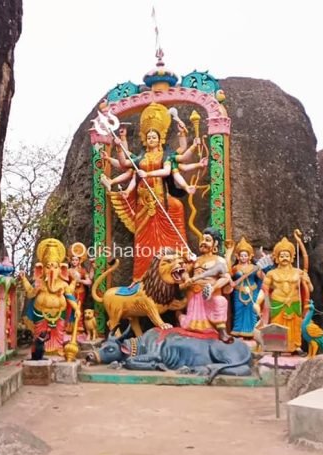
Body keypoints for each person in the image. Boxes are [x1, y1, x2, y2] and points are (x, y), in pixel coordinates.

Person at [100, 102, 202, 281]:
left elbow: (168, 171)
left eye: (154, 136)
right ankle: (141, 277)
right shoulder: (140, 157)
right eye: (148, 137)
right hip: (143, 201)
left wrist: (147, 173)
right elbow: (124, 162)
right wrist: (119, 144)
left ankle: (181, 263)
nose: (151, 139)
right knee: (143, 239)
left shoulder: (166, 156)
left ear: (160, 138)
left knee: (177, 208)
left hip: (161, 197)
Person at [255, 236, 313, 355]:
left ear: (291, 257)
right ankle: (278, 347)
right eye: (282, 256)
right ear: (276, 258)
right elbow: (264, 290)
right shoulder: (271, 273)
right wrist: (258, 303)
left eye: (287, 255)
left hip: (294, 302)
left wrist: (307, 281)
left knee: (296, 325)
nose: (284, 258)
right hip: (277, 303)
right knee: (277, 326)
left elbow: (310, 289)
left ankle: (296, 346)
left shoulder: (298, 272)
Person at [179, 227, 233, 343]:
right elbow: (184, 272)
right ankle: (181, 318)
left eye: (207, 240)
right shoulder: (195, 260)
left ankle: (222, 332)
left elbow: (226, 277)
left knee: (221, 301)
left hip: (209, 295)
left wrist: (213, 288)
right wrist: (187, 278)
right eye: (202, 239)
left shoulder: (219, 260)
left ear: (215, 243)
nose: (203, 242)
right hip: (193, 294)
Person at [228, 237, 264, 338]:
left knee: (252, 311)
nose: (243, 257)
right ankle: (238, 330)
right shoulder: (235, 268)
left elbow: (261, 277)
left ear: (249, 256)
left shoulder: (253, 267)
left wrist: (261, 268)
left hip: (252, 291)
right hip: (238, 292)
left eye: (245, 255)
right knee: (238, 311)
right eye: (241, 255)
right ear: (238, 257)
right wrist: (228, 253)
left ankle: (252, 331)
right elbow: (228, 275)